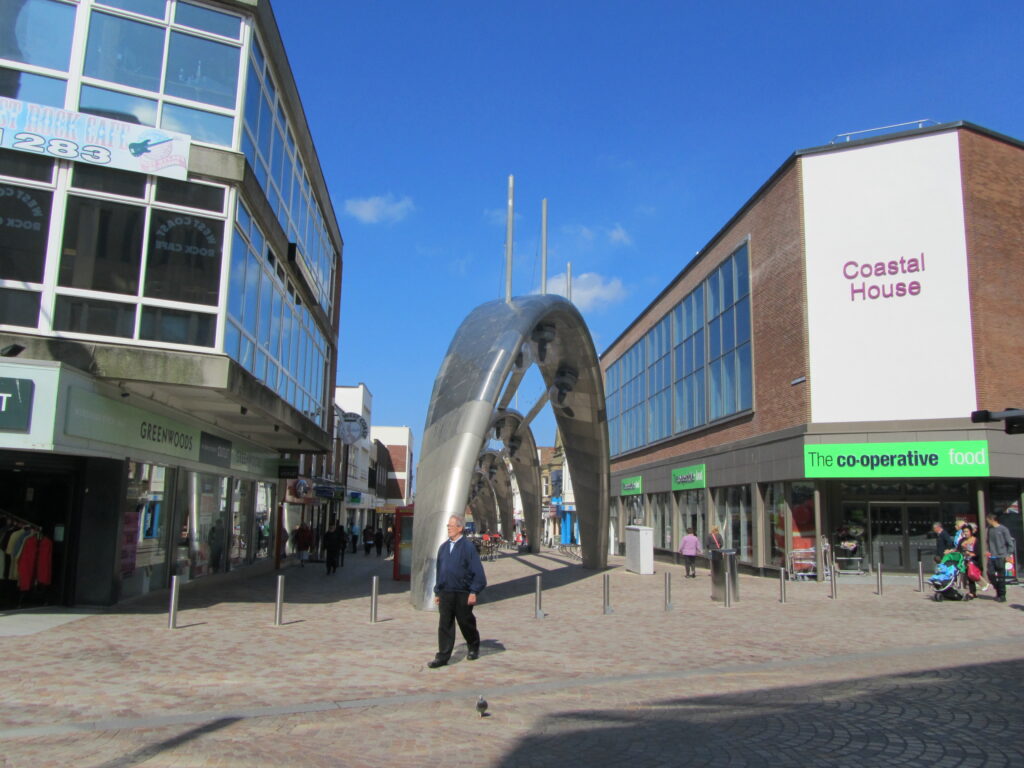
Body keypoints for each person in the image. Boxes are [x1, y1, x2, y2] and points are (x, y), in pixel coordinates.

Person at [428, 515, 486, 668]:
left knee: (465, 621)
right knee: (445, 624)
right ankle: (442, 656)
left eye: (451, 525)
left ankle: (473, 645)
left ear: (460, 528)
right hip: (446, 591)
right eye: (448, 525)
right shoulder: (443, 547)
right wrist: (437, 591)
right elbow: (440, 571)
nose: (448, 528)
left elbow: (477, 571)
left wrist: (474, 591)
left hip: (462, 592)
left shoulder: (468, 547)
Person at [986, 513, 1015, 603]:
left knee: (1001, 577)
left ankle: (1002, 595)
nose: (987, 521)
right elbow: (987, 541)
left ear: (992, 519)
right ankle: (998, 589)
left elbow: (1010, 543)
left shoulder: (1003, 529)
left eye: (988, 519)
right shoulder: (989, 529)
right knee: (990, 574)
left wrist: (1008, 554)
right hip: (992, 556)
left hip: (1001, 556)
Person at [958, 522, 980, 600]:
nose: (966, 533)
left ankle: (972, 592)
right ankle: (972, 591)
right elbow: (958, 550)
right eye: (964, 532)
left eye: (967, 531)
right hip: (964, 560)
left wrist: (970, 554)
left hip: (973, 561)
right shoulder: (962, 540)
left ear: (971, 531)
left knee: (971, 576)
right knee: (967, 576)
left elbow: (977, 552)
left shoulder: (975, 540)